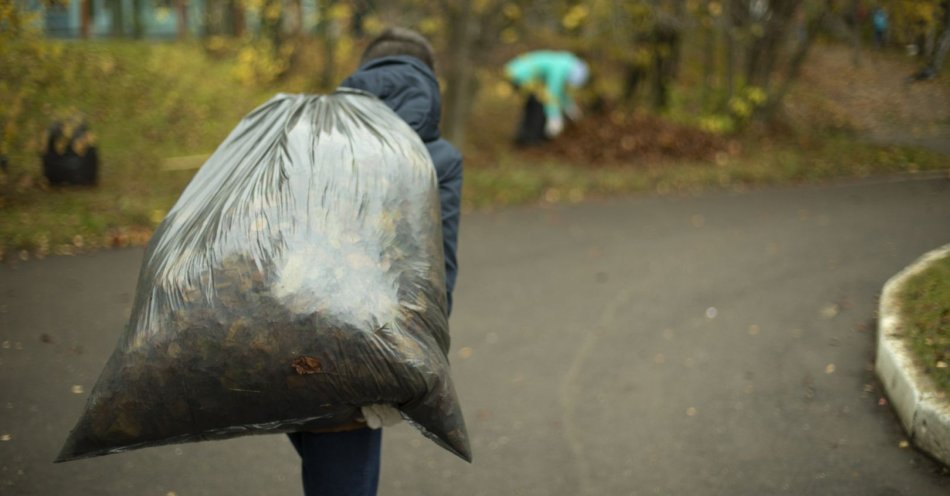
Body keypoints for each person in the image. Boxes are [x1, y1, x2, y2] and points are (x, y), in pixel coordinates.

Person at [286, 26, 463, 496]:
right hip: (368, 342)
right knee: (342, 469)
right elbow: (435, 270)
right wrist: (421, 353)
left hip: (285, 332)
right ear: (429, 77)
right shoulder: (437, 156)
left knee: (315, 435)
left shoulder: (312, 132)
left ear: (365, 72)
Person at [504, 50, 589, 145]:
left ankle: (527, 138)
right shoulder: (559, 69)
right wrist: (554, 117)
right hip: (519, 75)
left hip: (519, 74)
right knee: (538, 105)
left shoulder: (563, 63)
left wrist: (570, 108)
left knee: (536, 104)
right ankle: (529, 141)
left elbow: (561, 93)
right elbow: (552, 94)